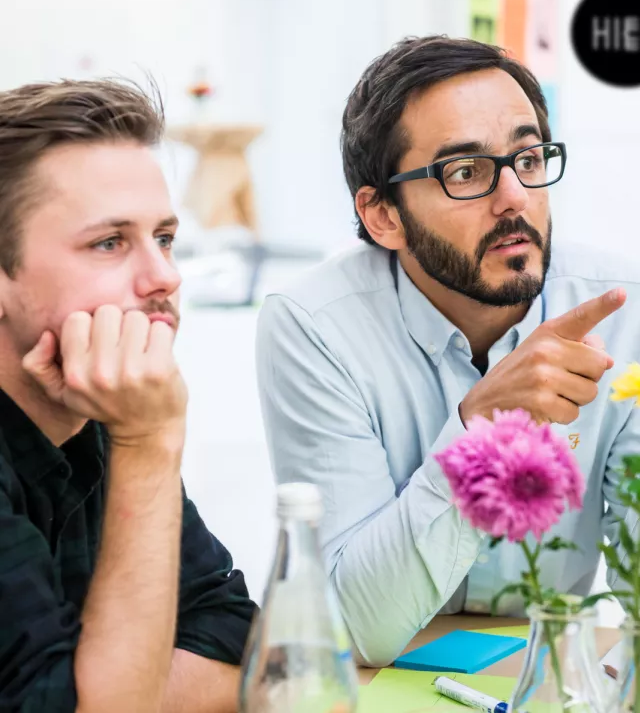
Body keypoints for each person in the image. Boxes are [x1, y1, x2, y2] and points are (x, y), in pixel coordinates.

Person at [256, 36, 640, 667]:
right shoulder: (316, 326)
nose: (515, 197)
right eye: (465, 172)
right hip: (382, 682)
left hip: (543, 674)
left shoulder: (624, 309)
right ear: (383, 216)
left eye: (528, 159)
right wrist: (479, 434)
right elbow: (353, 627)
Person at [0, 79, 256, 711]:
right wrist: (148, 443)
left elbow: (235, 635)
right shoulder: (137, 426)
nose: (164, 276)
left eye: (164, 238)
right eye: (109, 243)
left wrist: (121, 686)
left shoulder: (101, 412)